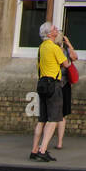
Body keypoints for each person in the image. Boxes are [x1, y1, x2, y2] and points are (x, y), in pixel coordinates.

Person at [30, 22, 68, 162]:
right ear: (49, 33)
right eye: (54, 29)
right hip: (53, 84)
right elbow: (66, 64)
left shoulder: (41, 47)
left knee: (42, 119)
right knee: (54, 119)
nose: (56, 30)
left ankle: (34, 150)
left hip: (42, 83)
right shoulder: (54, 47)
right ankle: (42, 150)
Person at [56, 29, 78, 150]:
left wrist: (69, 44)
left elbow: (75, 57)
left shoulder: (64, 50)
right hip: (56, 84)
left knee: (61, 115)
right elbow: (67, 63)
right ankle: (56, 142)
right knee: (56, 115)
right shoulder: (56, 50)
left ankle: (59, 142)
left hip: (64, 84)